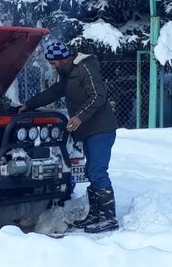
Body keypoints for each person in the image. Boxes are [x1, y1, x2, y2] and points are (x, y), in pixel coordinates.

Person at [19, 42, 119, 233]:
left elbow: (98, 95)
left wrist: (79, 116)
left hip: (101, 130)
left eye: (54, 63)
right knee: (91, 171)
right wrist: (29, 105)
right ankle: (96, 215)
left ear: (63, 58)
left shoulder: (85, 68)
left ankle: (109, 217)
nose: (52, 66)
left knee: (98, 171)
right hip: (89, 131)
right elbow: (53, 92)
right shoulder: (68, 75)